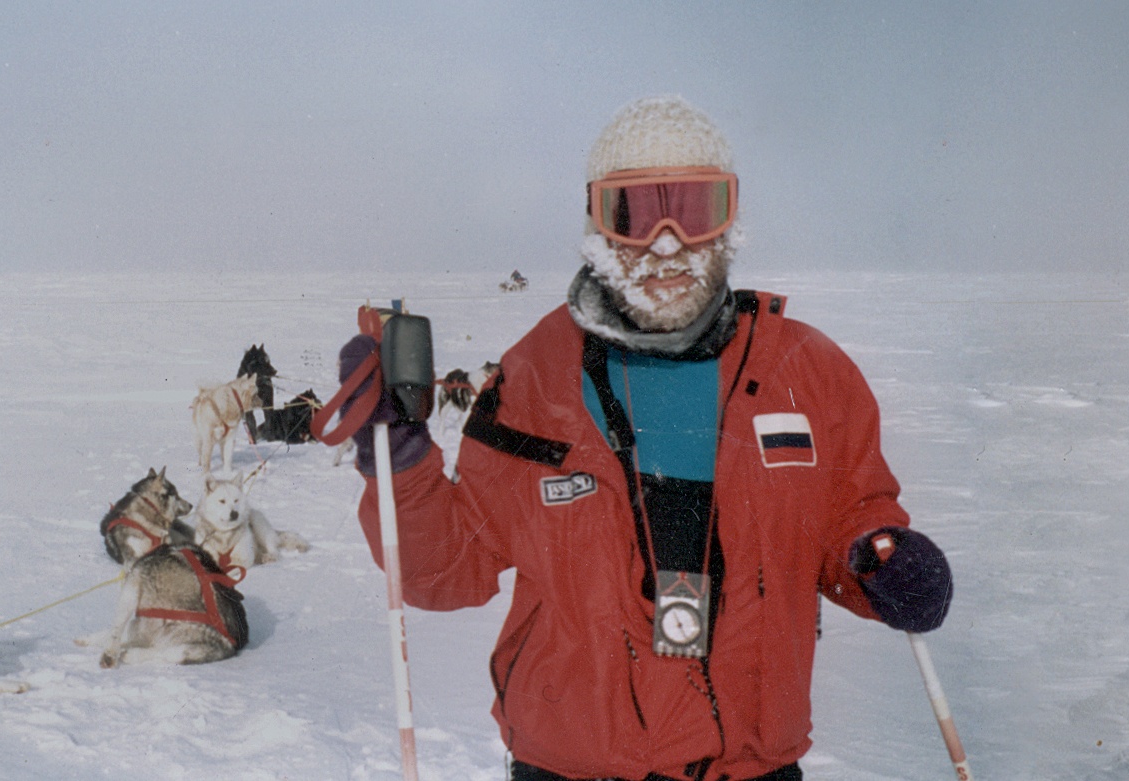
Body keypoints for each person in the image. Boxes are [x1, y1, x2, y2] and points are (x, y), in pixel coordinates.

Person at [334, 95, 953, 781]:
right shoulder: (534, 376)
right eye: (631, 213)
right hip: (573, 766)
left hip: (749, 765)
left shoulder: (808, 372)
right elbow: (448, 567)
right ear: (598, 230)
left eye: (695, 210)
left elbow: (852, 519)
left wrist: (882, 560)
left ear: (729, 226)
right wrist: (402, 465)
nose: (666, 242)